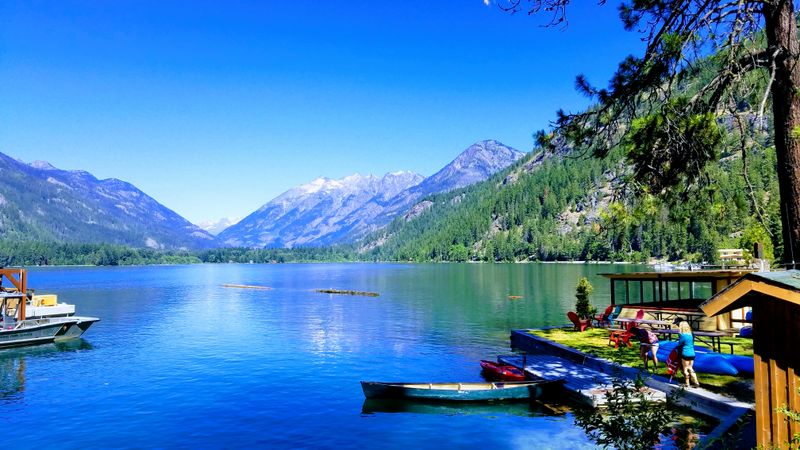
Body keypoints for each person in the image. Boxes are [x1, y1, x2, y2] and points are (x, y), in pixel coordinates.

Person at [676, 320, 699, 388]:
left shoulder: (682, 335)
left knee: (685, 369)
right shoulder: (691, 335)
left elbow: (680, 344)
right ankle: (696, 382)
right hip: (692, 353)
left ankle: (687, 383)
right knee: (690, 368)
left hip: (685, 353)